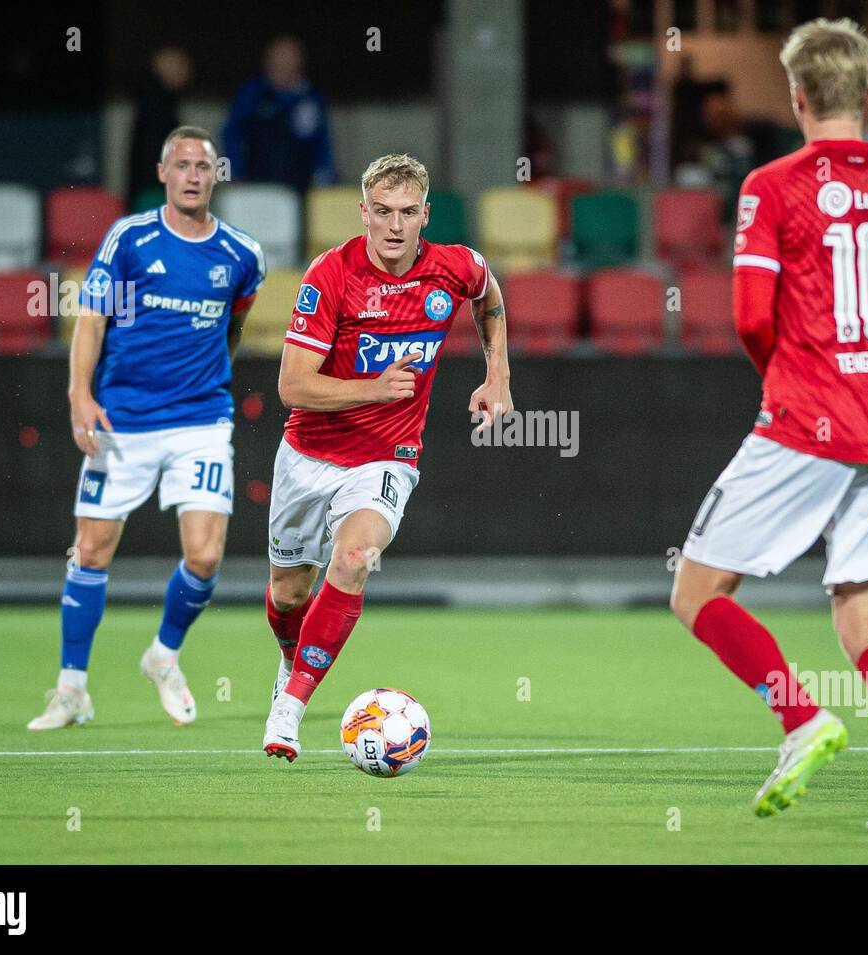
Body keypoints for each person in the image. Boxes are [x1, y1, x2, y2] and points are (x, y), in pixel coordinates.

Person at [669, 18, 868, 828]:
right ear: (867, 94)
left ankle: (800, 718)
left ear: (796, 97)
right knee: (865, 617)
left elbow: (751, 318)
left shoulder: (770, 186)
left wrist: (791, 380)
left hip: (805, 417)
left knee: (696, 593)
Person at [261, 153, 512, 761]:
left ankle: (289, 708)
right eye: (382, 213)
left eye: (407, 213)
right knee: (289, 593)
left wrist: (497, 372)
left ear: (425, 214)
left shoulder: (453, 266)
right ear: (363, 213)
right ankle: (293, 658)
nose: (395, 226)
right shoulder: (331, 276)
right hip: (308, 455)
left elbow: (488, 294)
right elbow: (292, 387)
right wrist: (374, 386)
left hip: (387, 457)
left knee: (353, 557)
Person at [27, 126, 265, 730]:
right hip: (124, 420)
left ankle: (163, 655)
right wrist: (80, 392)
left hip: (201, 422)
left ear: (217, 176)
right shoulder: (131, 238)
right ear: (162, 172)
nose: (192, 174)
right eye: (181, 164)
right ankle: (72, 689)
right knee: (91, 550)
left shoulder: (241, 256)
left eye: (203, 166)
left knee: (207, 557)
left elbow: (232, 328)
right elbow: (93, 317)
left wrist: (210, 378)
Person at [222, 36, 335, 193]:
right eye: (278, 58)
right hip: (257, 184)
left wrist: (325, 178)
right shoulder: (252, 93)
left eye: (289, 59)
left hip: (299, 187)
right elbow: (231, 135)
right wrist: (234, 173)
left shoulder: (310, 98)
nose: (283, 64)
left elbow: (321, 143)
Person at [128, 47, 191, 205]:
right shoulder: (157, 105)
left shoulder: (158, 100)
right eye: (181, 67)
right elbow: (152, 149)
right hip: (155, 186)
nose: (186, 73)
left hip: (151, 185)